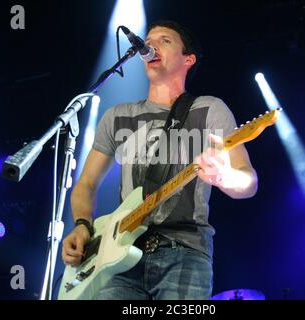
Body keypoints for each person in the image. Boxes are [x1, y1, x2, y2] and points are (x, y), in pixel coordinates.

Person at [62, 20, 258, 300]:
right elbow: (87, 184)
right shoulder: (117, 116)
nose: (151, 44)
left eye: (165, 40)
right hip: (115, 256)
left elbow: (248, 181)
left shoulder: (209, 109)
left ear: (188, 59)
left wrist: (226, 177)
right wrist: (81, 224)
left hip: (185, 253)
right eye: (148, 40)